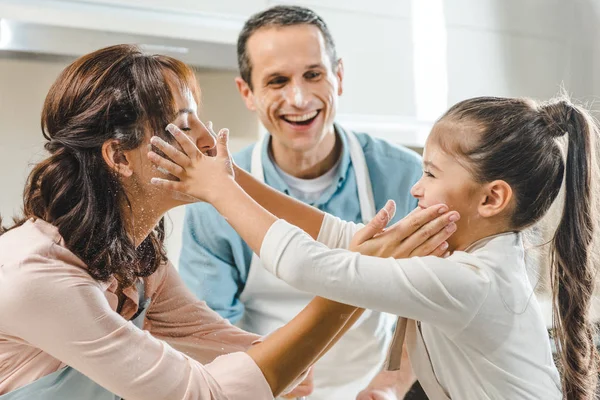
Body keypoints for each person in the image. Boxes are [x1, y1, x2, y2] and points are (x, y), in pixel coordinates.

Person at [0, 44, 386, 400]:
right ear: (119, 157)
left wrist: (290, 361)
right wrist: (353, 286)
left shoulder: (138, 263)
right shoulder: (38, 278)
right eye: (184, 128)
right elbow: (206, 394)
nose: (207, 141)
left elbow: (217, 342)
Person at [148, 95, 600, 400]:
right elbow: (340, 237)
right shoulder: (463, 253)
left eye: (432, 173)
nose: (416, 189)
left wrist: (218, 192)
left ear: (491, 198)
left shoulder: (469, 280)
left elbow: (306, 265)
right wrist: (230, 176)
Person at [179, 6, 453, 398]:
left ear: (338, 76)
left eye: (313, 74)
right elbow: (207, 327)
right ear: (248, 93)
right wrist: (259, 380)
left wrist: (392, 384)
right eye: (276, 81)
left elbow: (435, 305)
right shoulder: (213, 195)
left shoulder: (406, 179)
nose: (298, 98)